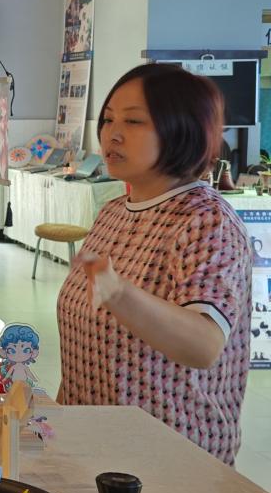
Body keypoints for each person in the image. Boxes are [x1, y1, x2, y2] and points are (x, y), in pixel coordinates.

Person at [57, 63, 251, 464]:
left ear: (181, 130)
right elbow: (85, 351)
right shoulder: (113, 212)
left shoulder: (206, 220)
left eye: (133, 121)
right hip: (94, 449)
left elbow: (203, 345)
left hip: (170, 459)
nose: (112, 134)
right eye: (108, 119)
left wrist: (120, 295)